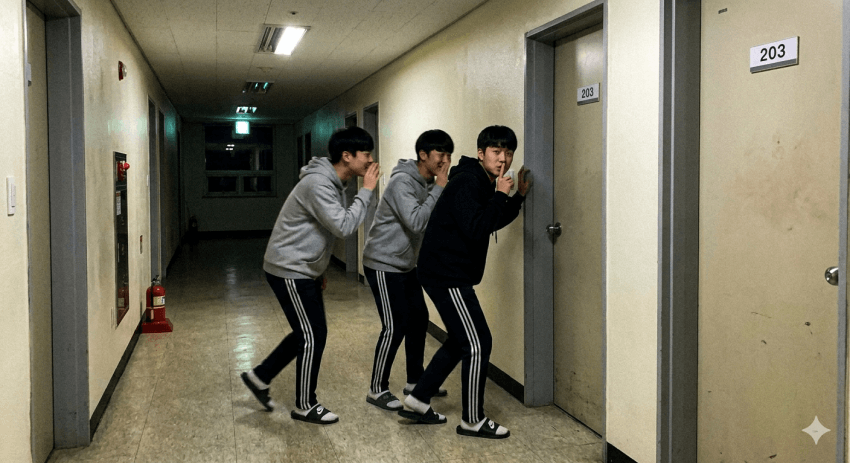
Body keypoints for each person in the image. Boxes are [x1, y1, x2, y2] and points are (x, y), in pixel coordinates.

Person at [241, 126, 380, 425]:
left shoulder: (334, 182)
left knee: (306, 331)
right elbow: (342, 227)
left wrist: (320, 269)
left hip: (303, 269)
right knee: (312, 334)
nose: (371, 160)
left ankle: (259, 376)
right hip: (290, 268)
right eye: (366, 154)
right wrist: (367, 191)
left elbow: (319, 229)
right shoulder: (319, 183)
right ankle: (305, 404)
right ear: (347, 156)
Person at [398, 125, 530, 439]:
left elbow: (490, 220)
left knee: (461, 340)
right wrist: (501, 194)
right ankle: (472, 419)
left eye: (508, 152)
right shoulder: (468, 182)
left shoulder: (481, 180)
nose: (503, 159)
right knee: (478, 342)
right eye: (496, 151)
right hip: (447, 275)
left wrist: (517, 198)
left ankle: (418, 399)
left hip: (445, 272)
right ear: (481, 153)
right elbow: (477, 227)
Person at [361, 129, 454, 412]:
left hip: (405, 264)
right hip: (382, 262)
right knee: (394, 325)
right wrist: (440, 186)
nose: (445, 160)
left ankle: (415, 381)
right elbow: (416, 221)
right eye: (440, 154)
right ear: (423, 155)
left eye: (448, 154)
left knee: (418, 319)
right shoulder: (403, 181)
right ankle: (377, 389)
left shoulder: (427, 182)